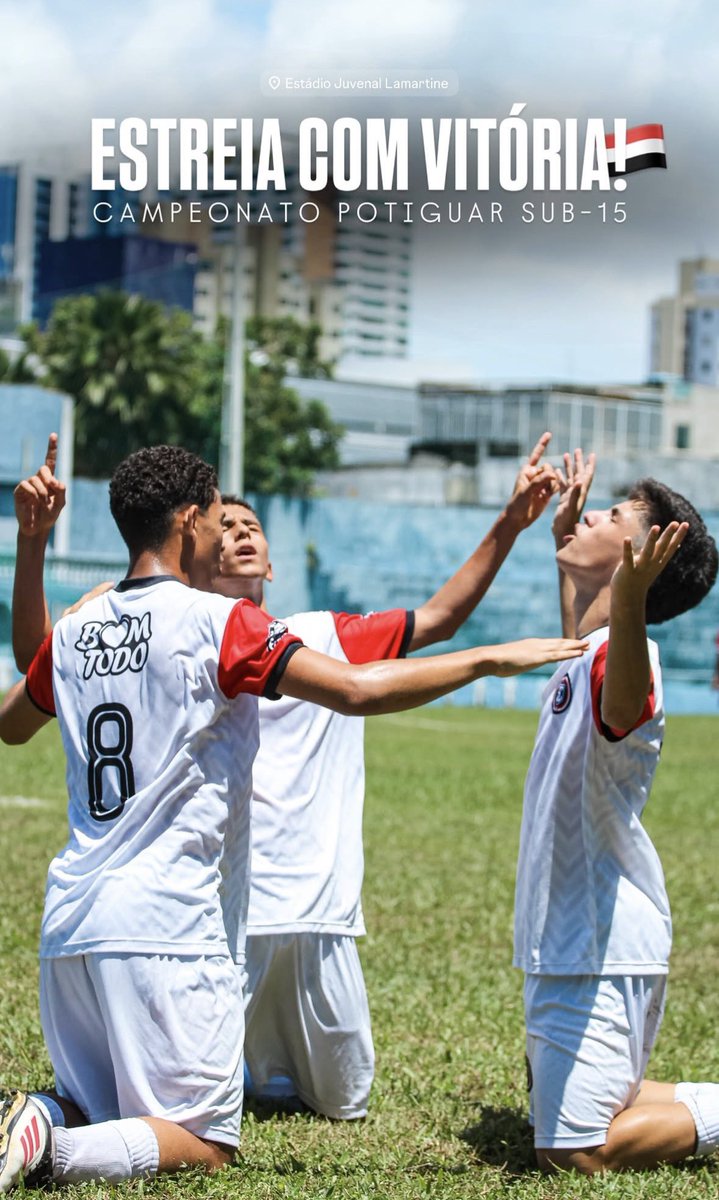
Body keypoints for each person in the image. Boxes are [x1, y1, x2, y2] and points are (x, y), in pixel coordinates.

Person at [0, 443, 584, 1192]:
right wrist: (485, 660)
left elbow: (14, 722)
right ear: (188, 521)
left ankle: (45, 1117)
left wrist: (31, 544)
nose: (225, 531)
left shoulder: (80, 627)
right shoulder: (222, 622)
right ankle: (51, 1151)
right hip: (168, 924)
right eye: (217, 517)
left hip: (70, 920)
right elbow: (357, 692)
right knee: (203, 1140)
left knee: (98, 1104)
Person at [215, 436, 565, 1121]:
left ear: (273, 560)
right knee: (199, 1098)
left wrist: (509, 524)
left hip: (318, 900)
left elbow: (437, 620)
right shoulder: (188, 633)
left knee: (345, 1102)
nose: (240, 533)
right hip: (229, 905)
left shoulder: (325, 633)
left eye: (251, 525)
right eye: (223, 528)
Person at [513, 450, 719, 1175]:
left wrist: (626, 601)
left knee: (575, 1149)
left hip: (599, 943)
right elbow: (585, 635)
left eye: (612, 515)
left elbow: (621, 703)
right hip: (564, 936)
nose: (589, 510)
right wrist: (565, 548)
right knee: (574, 1103)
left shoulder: (634, 659)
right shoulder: (589, 644)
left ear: (639, 559)